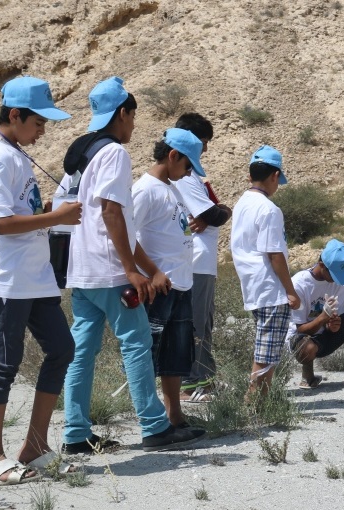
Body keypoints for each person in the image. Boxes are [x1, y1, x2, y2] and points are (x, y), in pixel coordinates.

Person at [61, 76, 204, 453]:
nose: (134, 126)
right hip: (110, 269)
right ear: (122, 113)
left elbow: (65, 209)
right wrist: (130, 268)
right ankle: (155, 426)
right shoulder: (113, 153)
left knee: (81, 352)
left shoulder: (80, 152)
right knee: (137, 345)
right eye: (133, 116)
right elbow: (112, 213)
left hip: (82, 269)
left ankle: (75, 433)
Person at [0, 76, 81, 484]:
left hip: (35, 278)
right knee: (4, 364)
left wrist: (50, 209)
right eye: (38, 123)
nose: (42, 131)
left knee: (61, 349)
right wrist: (57, 217)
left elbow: (20, 210)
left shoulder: (15, 155)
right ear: (14, 115)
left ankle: (34, 447)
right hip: (9, 279)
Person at [132, 127, 207, 427]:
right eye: (188, 166)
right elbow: (125, 236)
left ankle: (173, 413)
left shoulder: (171, 189)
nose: (189, 173)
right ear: (173, 155)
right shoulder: (145, 189)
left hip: (180, 284)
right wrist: (151, 273)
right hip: (158, 287)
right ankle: (151, 420)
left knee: (177, 352)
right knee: (150, 353)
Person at [230, 145, 300, 400]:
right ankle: (256, 400)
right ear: (274, 176)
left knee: (264, 345)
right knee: (267, 350)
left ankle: (261, 398)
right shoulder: (269, 209)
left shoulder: (242, 204)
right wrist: (290, 291)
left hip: (252, 285)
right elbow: (274, 255)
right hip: (270, 288)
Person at [171, 113, 232, 403]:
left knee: (203, 322)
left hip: (202, 262)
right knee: (194, 322)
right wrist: (219, 212)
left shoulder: (192, 175)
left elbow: (213, 211)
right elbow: (211, 214)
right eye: (203, 142)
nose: (205, 149)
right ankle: (189, 384)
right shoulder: (185, 177)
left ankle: (204, 380)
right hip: (194, 261)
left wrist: (219, 210)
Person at [287, 239, 344, 391]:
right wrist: (322, 319)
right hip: (301, 339)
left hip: (325, 335)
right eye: (334, 274)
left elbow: (337, 315)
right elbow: (299, 329)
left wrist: (333, 326)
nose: (337, 280)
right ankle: (308, 373)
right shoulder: (299, 284)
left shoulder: (340, 281)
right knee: (307, 348)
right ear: (322, 265)